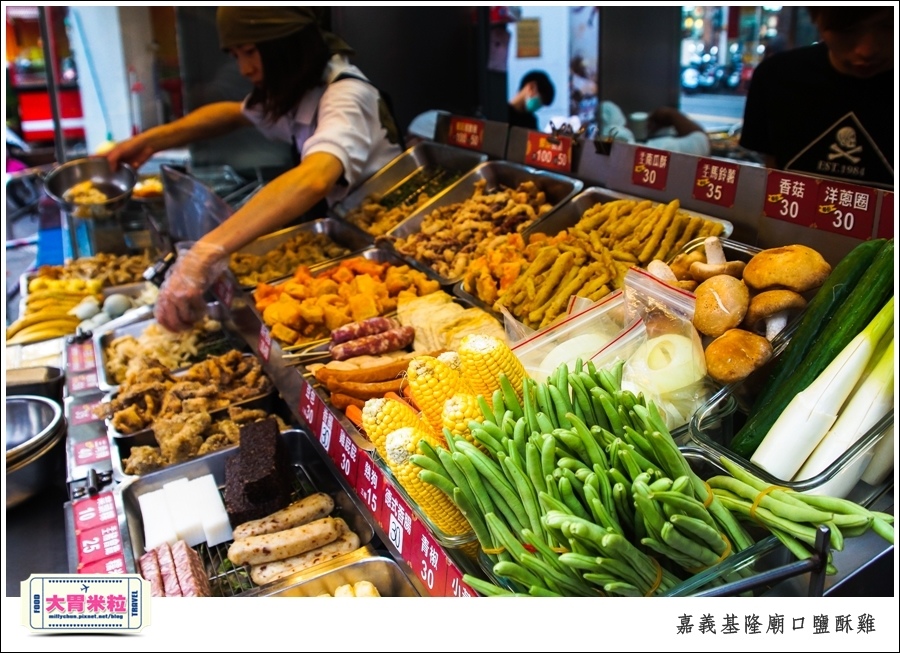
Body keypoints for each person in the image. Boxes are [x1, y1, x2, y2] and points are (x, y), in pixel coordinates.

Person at [106, 7, 404, 332]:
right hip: (351, 239)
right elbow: (234, 114)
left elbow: (315, 177)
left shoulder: (346, 97)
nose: (244, 68)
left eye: (250, 52)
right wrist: (151, 141)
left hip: (392, 252)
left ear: (287, 44)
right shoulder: (302, 89)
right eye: (236, 55)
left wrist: (203, 254)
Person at [739, 6, 893, 188]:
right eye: (846, 29)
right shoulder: (775, 76)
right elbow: (773, 179)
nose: (866, 51)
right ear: (817, 18)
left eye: (889, 26)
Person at [597, 100, 711, 156]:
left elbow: (606, 107)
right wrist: (671, 115)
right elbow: (702, 141)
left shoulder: (598, 154)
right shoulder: (658, 150)